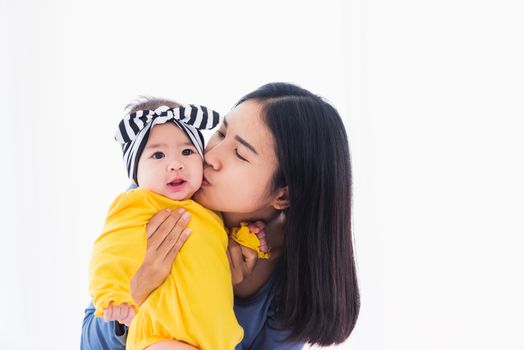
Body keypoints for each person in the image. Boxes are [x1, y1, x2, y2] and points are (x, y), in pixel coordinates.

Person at [82, 82, 360, 349]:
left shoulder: (296, 281)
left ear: (283, 195)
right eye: (221, 132)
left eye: (239, 153)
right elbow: (87, 342)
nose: (211, 155)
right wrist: (138, 289)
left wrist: (234, 296)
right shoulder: (162, 196)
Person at [89, 100, 267, 350]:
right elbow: (110, 250)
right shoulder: (138, 202)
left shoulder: (209, 209)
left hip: (218, 341)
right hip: (162, 337)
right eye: (158, 155)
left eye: (187, 152)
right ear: (135, 172)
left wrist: (245, 238)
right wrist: (114, 295)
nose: (175, 164)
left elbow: (215, 248)